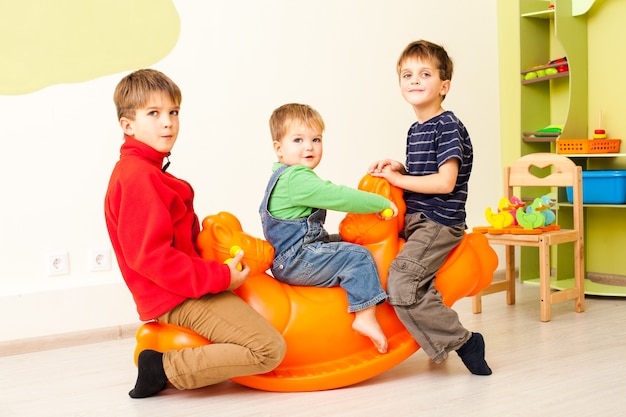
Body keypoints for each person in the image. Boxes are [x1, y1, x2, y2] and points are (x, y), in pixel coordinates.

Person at [105, 69, 286, 399]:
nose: (168, 123)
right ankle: (163, 368)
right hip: (173, 295)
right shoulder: (138, 178)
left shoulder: (148, 171)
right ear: (128, 125)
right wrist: (220, 277)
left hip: (181, 286)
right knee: (268, 349)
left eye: (173, 112)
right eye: (154, 114)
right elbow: (152, 257)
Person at [368, 40, 492, 375]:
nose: (414, 80)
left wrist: (397, 181)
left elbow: (444, 183)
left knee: (403, 285)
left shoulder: (447, 125)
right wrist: (399, 168)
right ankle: (442, 344)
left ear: (444, 86)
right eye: (407, 74)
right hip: (416, 218)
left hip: (438, 222)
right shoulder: (416, 129)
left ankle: (465, 341)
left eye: (425, 73)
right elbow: (426, 175)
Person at [259, 103, 398, 354]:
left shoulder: (283, 175)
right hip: (297, 260)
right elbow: (337, 195)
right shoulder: (295, 178)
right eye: (298, 139)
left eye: (316, 139)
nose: (309, 146)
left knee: (348, 240)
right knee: (358, 255)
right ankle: (365, 315)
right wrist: (379, 203)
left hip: (300, 253)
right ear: (279, 149)